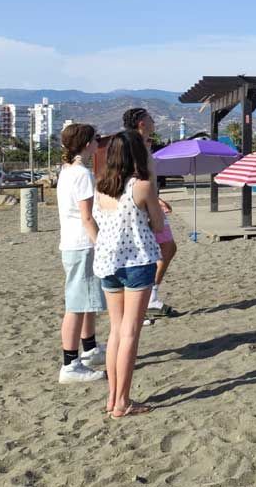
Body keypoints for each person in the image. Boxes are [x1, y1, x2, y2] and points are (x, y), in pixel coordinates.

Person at [93, 130, 164, 417]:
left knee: (115, 331)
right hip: (137, 261)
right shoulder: (142, 187)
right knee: (130, 332)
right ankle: (122, 401)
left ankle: (113, 397)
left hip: (108, 263)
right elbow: (158, 226)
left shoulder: (101, 187)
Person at [56, 124, 106, 384]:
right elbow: (87, 217)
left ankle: (89, 349)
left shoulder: (67, 171)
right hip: (81, 244)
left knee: (86, 301)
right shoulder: (82, 174)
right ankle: (70, 363)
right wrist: (102, 244)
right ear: (87, 143)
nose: (98, 142)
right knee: (75, 305)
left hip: (73, 243)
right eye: (96, 139)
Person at [123, 108, 175, 314]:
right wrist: (150, 199)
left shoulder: (142, 145)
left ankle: (149, 295)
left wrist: (157, 198)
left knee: (166, 248)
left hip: (149, 200)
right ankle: (148, 297)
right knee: (160, 249)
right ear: (141, 123)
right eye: (151, 119)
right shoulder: (131, 145)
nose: (154, 122)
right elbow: (134, 176)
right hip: (141, 205)